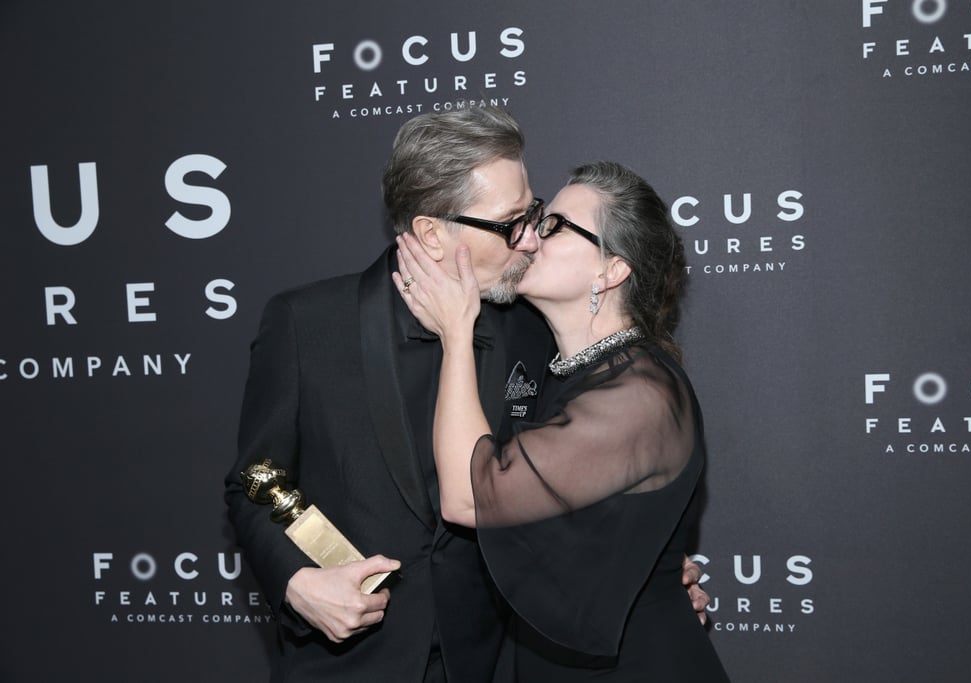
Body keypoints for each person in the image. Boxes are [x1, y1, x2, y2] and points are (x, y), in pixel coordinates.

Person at [224, 108, 710, 683]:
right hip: (351, 666)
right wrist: (295, 582)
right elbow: (254, 480)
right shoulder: (308, 324)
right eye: (511, 223)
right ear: (431, 232)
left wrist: (643, 577)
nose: (530, 238)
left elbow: (590, 482)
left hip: (497, 663)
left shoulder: (539, 328)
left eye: (534, 214)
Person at [395, 161, 730, 680]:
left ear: (611, 270)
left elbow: (466, 497)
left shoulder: (639, 395)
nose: (527, 237)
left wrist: (455, 333)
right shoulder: (563, 372)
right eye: (533, 219)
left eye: (552, 226)